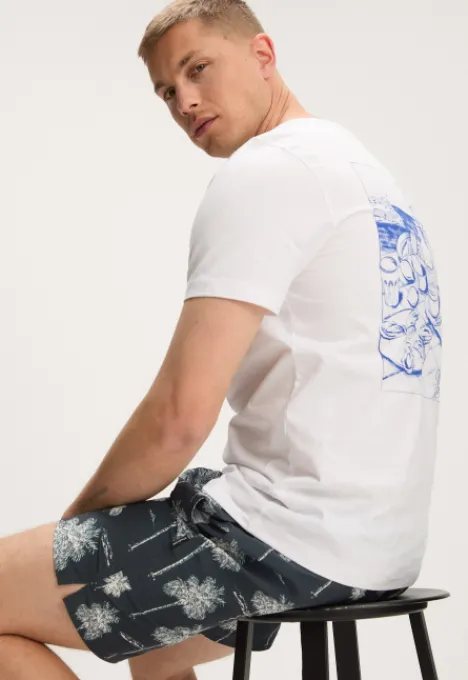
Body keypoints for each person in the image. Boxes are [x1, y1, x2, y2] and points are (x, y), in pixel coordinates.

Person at [0, 0, 442, 678]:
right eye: (166, 91)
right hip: (377, 547)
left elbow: (178, 419)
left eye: (198, 68)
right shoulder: (365, 173)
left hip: (283, 545)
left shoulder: (267, 172)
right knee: (152, 649)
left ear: (263, 54)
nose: (184, 102)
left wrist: (76, 529)